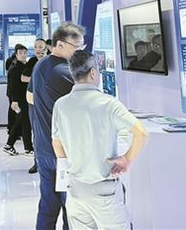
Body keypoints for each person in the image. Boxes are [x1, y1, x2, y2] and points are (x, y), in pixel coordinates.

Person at [52, 50, 148, 229]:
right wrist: (127, 159)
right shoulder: (109, 103)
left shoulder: (61, 104)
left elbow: (57, 143)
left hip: (76, 189)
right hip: (105, 190)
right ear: (93, 72)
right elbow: (141, 133)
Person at [27, 22, 85, 230]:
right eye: (76, 47)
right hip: (64, 153)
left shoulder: (40, 65)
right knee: (72, 208)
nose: (80, 52)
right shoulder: (67, 73)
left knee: (48, 206)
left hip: (44, 148)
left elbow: (30, 97)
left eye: (82, 46)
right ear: (60, 44)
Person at [22, 38, 47, 173]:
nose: (38, 49)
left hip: (48, 101)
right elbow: (23, 78)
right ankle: (37, 162)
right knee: (36, 133)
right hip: (33, 101)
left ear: (46, 48)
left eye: (40, 47)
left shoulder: (49, 60)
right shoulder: (32, 61)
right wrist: (37, 79)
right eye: (36, 47)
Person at [3, 44, 33, 156]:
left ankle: (9, 145)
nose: (23, 55)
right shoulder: (15, 68)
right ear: (16, 54)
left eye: (25, 53)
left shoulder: (24, 65)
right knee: (25, 123)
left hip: (24, 98)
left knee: (20, 122)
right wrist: (14, 101)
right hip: (19, 99)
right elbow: (13, 86)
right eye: (20, 53)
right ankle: (28, 149)